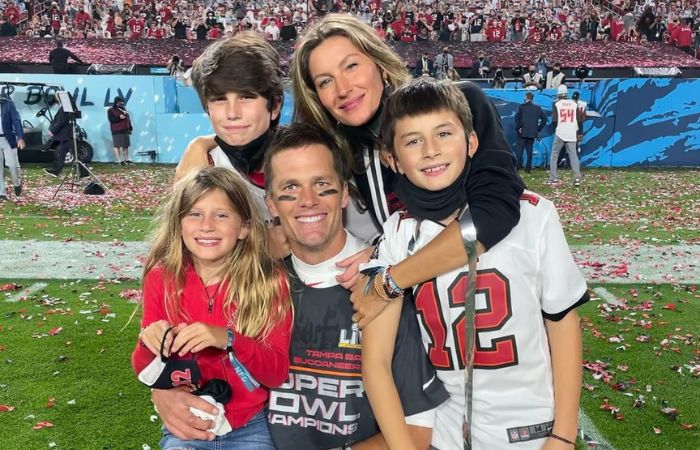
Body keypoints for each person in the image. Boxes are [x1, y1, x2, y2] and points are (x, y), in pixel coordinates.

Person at [180, 14, 524, 324]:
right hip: (419, 313)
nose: (343, 89)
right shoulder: (339, 145)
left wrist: (390, 276)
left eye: (351, 66)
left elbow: (494, 212)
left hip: (494, 295)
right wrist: (204, 145)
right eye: (325, 81)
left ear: (378, 62)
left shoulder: (455, 105)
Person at [362, 78, 588, 449]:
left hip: (531, 431)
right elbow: (377, 360)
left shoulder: (534, 216)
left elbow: (562, 322)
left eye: (443, 134)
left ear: (471, 142)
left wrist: (562, 435)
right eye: (413, 140)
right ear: (393, 160)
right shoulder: (398, 234)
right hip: (447, 434)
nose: (431, 150)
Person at [263, 123, 448, 449]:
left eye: (322, 185)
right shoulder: (256, 284)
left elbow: (418, 434)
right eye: (290, 188)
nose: (308, 200)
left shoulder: (387, 284)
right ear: (271, 204)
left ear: (345, 192)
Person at [132, 166, 293, 449]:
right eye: (195, 213)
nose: (207, 225)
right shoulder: (161, 277)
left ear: (243, 227)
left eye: (221, 214)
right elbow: (146, 370)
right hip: (189, 424)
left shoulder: (268, 281)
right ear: (179, 223)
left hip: (251, 426)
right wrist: (149, 343)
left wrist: (228, 339)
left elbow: (277, 372)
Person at [549, 85, 584, 186]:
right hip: (572, 132)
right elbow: (579, 120)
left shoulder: (556, 104)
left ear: (558, 94)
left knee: (554, 155)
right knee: (573, 156)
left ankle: (553, 178)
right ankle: (577, 179)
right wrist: (579, 133)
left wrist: (557, 128)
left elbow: (555, 120)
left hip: (560, 132)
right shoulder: (574, 103)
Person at [0, 92, 25, 201]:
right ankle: (2, 192)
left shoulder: (8, 104)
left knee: (12, 166)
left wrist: (20, 137)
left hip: (7, 139)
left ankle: (17, 183)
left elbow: (16, 121)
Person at [514, 92, 547, 172]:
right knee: (529, 151)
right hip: (532, 133)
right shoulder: (538, 108)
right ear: (532, 98)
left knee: (519, 151)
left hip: (522, 132)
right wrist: (538, 128)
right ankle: (528, 168)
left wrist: (518, 128)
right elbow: (544, 119)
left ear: (526, 97)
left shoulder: (522, 107)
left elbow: (516, 118)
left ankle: (518, 167)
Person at [44, 93, 74, 177]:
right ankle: (57, 171)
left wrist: (52, 131)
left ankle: (57, 171)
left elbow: (61, 121)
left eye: (57, 96)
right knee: (62, 152)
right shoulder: (64, 107)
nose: (56, 98)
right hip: (65, 134)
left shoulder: (65, 107)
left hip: (66, 134)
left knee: (71, 152)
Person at [107, 96, 133, 165]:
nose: (121, 104)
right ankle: (119, 161)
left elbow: (128, 119)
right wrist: (119, 117)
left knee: (126, 145)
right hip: (116, 130)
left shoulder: (124, 109)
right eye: (119, 103)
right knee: (117, 145)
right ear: (116, 102)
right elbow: (111, 119)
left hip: (125, 129)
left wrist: (130, 128)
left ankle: (126, 160)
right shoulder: (110, 110)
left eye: (122, 103)